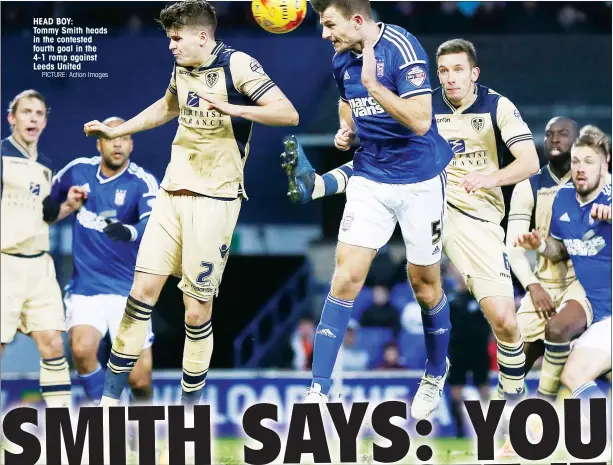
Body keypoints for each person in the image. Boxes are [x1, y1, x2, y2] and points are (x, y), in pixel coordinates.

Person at [283, 38, 540, 411]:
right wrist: (349, 132)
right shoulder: (422, 105)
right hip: (421, 194)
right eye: (444, 71)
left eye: (458, 70)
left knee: (504, 322)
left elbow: (530, 162)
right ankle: (319, 185)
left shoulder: (496, 105)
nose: (450, 79)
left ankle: (513, 402)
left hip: (472, 215)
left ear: (474, 73)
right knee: (377, 264)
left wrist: (492, 178)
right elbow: (379, 158)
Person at [83, 0, 298, 415]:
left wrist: (232, 108)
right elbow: (168, 106)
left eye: (176, 37)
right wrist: (119, 128)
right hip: (172, 193)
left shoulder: (239, 66)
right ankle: (108, 403)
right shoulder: (183, 68)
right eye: (168, 37)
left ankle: (188, 414)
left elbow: (287, 113)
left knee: (196, 311)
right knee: (140, 294)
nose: (170, 45)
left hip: (215, 201)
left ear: (203, 36)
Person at [301, 0, 455, 421]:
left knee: (425, 285)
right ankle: (318, 391)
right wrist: (346, 128)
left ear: (356, 20)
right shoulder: (340, 60)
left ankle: (435, 372)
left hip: (421, 180)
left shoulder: (403, 49)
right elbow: (346, 102)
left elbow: (422, 121)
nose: (324, 34)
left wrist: (374, 86)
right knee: (346, 276)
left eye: (329, 24)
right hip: (370, 175)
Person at [50, 117, 158, 405]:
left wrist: (130, 231)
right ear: (99, 144)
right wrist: (65, 205)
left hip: (128, 291)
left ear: (132, 144)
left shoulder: (141, 182)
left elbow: (155, 225)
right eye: (111, 137)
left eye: (124, 137)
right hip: (86, 288)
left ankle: (142, 427)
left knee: (139, 379)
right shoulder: (77, 171)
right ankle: (110, 425)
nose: (118, 143)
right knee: (82, 351)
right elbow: (46, 203)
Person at [1, 90, 86, 408]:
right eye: (26, 112)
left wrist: (68, 205)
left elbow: (45, 217)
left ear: (45, 122)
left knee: (52, 343)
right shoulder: (2, 157)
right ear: (12, 118)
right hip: (5, 264)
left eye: (39, 114)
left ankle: (62, 432)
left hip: (39, 266)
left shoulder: (46, 166)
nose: (32, 118)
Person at [515, 125, 611, 404]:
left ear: (605, 165)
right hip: (602, 316)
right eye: (576, 161)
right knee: (573, 376)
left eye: (589, 162)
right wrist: (540, 246)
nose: (580, 168)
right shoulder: (564, 198)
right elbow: (559, 250)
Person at [446, 263, 491, 438]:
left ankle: (488, 427)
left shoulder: (481, 299)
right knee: (456, 389)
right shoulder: (451, 300)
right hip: (458, 351)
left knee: (483, 388)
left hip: (478, 349)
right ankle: (459, 431)